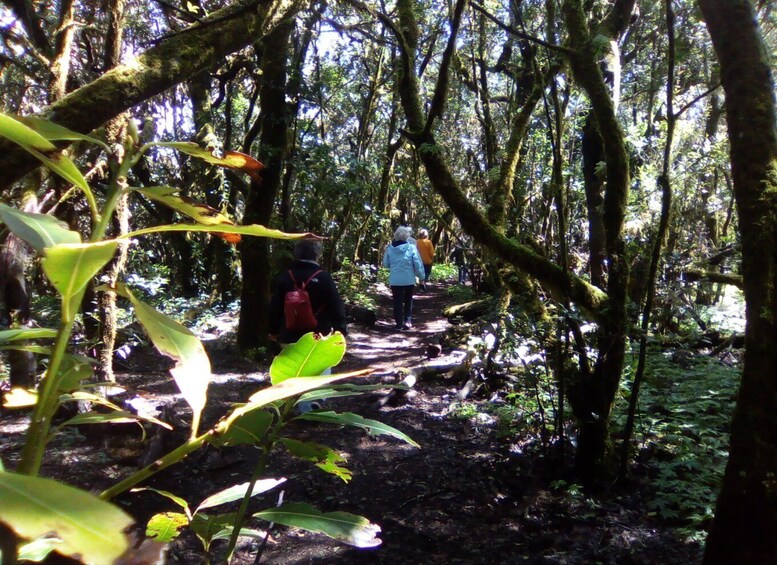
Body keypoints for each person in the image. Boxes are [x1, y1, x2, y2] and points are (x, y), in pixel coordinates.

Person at [268, 239, 348, 345]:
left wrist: (272, 331)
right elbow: (336, 306)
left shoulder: (286, 276)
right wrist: (340, 332)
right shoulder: (324, 277)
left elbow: (275, 307)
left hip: (289, 337)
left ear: (296, 253)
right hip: (318, 337)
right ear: (317, 254)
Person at [383, 226, 425, 330]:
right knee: (408, 300)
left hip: (395, 280)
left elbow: (385, 264)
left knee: (397, 301)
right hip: (408, 279)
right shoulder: (411, 247)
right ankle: (408, 321)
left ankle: (398, 323)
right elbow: (417, 264)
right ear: (407, 236)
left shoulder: (389, 248)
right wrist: (421, 277)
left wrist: (393, 265)